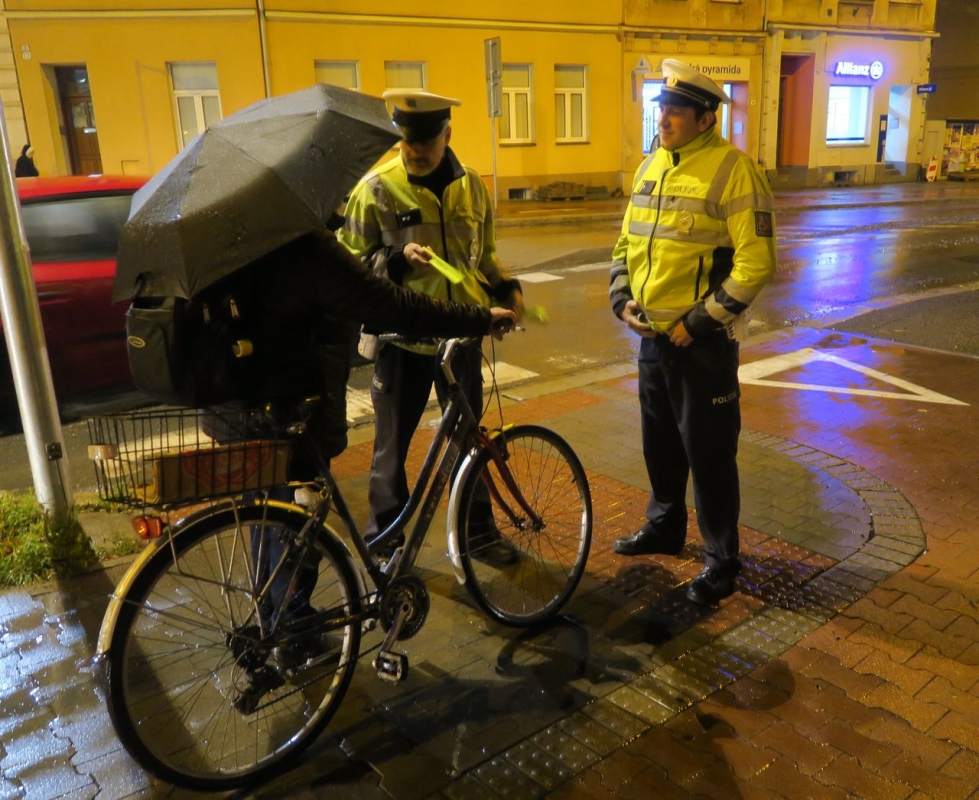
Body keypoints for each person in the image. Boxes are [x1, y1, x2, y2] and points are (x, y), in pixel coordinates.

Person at [206, 224, 516, 678]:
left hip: (233, 404)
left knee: (265, 516)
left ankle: (272, 622)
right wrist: (476, 318)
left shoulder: (233, 237)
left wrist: (390, 264)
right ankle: (294, 634)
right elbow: (385, 303)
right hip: (291, 405)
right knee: (296, 520)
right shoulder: (302, 242)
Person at [608, 59, 777, 605]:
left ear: (706, 118)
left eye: (676, 111)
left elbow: (756, 262)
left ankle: (722, 559)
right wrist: (621, 298)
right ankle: (663, 525)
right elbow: (625, 244)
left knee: (708, 454)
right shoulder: (651, 166)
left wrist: (699, 322)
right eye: (662, 108)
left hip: (701, 346)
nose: (664, 118)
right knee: (659, 443)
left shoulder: (733, 169)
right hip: (653, 340)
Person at [340, 90, 524, 566]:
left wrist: (505, 289)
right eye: (406, 142)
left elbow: (481, 257)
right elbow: (347, 270)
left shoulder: (473, 187)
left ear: (447, 134)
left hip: (459, 340)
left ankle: (478, 534)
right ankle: (385, 543)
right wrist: (395, 260)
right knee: (391, 447)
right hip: (400, 341)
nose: (415, 151)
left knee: (469, 440)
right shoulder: (376, 189)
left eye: (425, 141)